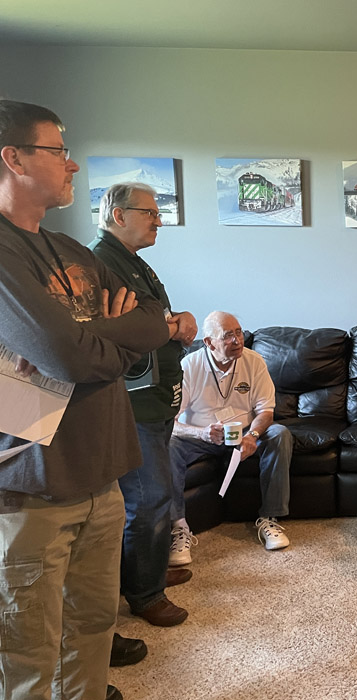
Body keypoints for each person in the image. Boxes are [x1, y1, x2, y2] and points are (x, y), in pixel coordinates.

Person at [0, 99, 169, 700]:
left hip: (104, 475)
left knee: (93, 628)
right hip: (32, 484)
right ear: (13, 157)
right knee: (29, 651)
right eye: (59, 152)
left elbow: (153, 326)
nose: (72, 168)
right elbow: (64, 354)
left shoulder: (74, 253)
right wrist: (97, 341)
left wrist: (92, 340)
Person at [89, 182, 199, 628]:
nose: (159, 220)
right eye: (150, 212)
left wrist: (172, 322)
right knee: (147, 498)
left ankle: (147, 570)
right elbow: (122, 326)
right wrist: (170, 325)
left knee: (152, 496)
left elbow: (149, 319)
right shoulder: (98, 263)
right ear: (119, 215)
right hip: (133, 405)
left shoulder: (135, 264)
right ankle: (144, 593)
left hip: (156, 399)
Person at [169, 311, 293, 554]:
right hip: (201, 436)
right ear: (209, 342)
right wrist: (202, 433)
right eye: (228, 336)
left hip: (244, 432)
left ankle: (270, 519)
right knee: (167, 444)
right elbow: (169, 422)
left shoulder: (254, 361)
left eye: (238, 332)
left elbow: (266, 412)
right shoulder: (189, 366)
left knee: (280, 434)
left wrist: (253, 436)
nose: (237, 340)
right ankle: (179, 528)